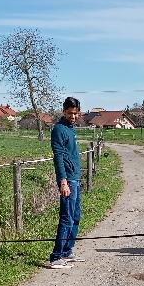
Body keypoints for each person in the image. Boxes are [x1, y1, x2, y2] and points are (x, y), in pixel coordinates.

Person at [47, 97, 83, 269]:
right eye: (70, 113)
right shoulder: (59, 130)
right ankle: (56, 256)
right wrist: (63, 181)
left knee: (75, 216)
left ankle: (67, 251)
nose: (73, 116)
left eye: (76, 113)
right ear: (64, 112)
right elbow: (59, 157)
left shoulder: (71, 129)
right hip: (67, 180)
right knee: (66, 218)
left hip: (75, 179)